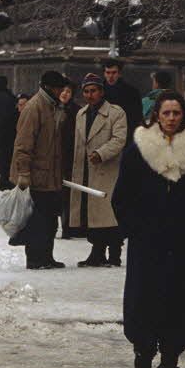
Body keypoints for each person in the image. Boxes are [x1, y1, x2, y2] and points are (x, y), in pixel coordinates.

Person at [111, 91, 185, 368]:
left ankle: (170, 362)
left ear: (184, 115)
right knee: (144, 300)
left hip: (184, 243)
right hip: (148, 243)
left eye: (176, 113)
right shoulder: (139, 149)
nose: (171, 119)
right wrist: (135, 228)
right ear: (156, 115)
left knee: (178, 303)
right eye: (166, 113)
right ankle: (144, 346)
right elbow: (122, 197)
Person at [10, 70, 70, 270]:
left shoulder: (52, 106)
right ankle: (35, 258)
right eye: (59, 87)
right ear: (49, 88)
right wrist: (23, 173)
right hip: (36, 175)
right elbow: (23, 144)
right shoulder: (35, 107)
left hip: (50, 175)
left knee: (50, 219)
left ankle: (47, 256)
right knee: (38, 220)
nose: (62, 91)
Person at [67, 73, 128, 266]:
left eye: (93, 91)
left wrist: (101, 153)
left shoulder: (116, 113)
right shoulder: (81, 114)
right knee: (92, 213)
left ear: (101, 92)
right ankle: (97, 251)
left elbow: (119, 139)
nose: (89, 95)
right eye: (86, 91)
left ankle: (115, 253)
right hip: (86, 169)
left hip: (107, 169)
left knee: (109, 213)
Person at [58, 80, 82, 238]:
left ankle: (69, 227)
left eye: (68, 91)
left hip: (71, 156)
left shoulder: (78, 112)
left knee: (68, 194)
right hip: (55, 156)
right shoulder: (51, 108)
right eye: (62, 90)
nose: (64, 94)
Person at [102, 59, 144, 141]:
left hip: (125, 135)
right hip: (103, 135)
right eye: (108, 72)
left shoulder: (132, 92)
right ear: (104, 74)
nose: (110, 76)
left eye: (114, 73)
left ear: (119, 74)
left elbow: (136, 117)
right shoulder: (98, 91)